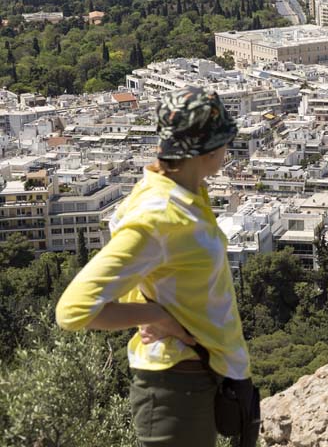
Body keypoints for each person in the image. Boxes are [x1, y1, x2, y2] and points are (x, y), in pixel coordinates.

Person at [56, 86, 249, 447]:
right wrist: (154, 315)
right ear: (206, 151)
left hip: (197, 376)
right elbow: (72, 311)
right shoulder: (158, 215)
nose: (228, 147)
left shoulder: (184, 192)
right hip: (174, 387)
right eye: (224, 139)